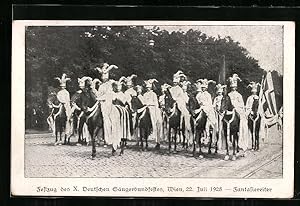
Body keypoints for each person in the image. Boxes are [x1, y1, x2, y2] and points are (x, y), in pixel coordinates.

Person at [94, 63, 121, 154]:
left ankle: (112, 139)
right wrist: (96, 93)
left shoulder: (109, 85)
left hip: (108, 104)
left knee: (110, 119)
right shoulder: (101, 86)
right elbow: (98, 94)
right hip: (101, 103)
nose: (104, 76)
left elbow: (108, 95)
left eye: (105, 74)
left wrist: (100, 98)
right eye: (102, 75)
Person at [169, 71, 193, 146]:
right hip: (172, 103)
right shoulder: (171, 89)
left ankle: (184, 124)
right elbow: (170, 96)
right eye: (174, 82)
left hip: (179, 102)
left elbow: (182, 97)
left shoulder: (180, 89)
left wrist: (177, 100)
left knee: (184, 113)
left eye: (176, 82)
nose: (175, 84)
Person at [139, 79, 163, 149]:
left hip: (153, 108)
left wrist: (150, 104)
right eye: (147, 88)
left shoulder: (154, 94)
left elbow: (156, 103)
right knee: (140, 116)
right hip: (145, 107)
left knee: (154, 118)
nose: (148, 89)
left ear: (151, 88)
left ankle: (153, 130)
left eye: (149, 88)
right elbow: (143, 102)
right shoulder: (145, 94)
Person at [228, 73, 248, 154]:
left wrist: (237, 107)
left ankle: (241, 129)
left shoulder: (239, 95)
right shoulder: (228, 95)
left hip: (238, 109)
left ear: (236, 87)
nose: (233, 88)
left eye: (234, 87)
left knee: (242, 120)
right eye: (232, 87)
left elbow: (242, 104)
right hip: (230, 110)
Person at [195, 79, 217, 145]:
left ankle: (209, 128)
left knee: (209, 117)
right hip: (200, 107)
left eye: (204, 88)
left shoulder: (208, 95)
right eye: (202, 88)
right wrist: (200, 103)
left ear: (206, 88)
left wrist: (205, 104)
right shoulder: (199, 94)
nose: (203, 89)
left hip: (207, 107)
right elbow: (197, 100)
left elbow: (209, 102)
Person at [54, 73, 72, 140]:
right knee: (55, 113)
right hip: (61, 104)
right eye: (61, 87)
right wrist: (60, 102)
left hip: (66, 105)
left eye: (63, 87)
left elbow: (68, 100)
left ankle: (68, 131)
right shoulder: (59, 92)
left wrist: (65, 103)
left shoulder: (67, 93)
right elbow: (58, 98)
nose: (62, 88)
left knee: (68, 116)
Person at [213, 84, 226, 150]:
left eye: (220, 92)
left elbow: (225, 106)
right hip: (217, 114)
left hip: (222, 114)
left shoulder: (224, 98)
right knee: (217, 128)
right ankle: (216, 143)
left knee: (223, 128)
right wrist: (215, 110)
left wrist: (223, 111)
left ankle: (223, 144)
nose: (219, 93)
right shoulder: (216, 98)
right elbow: (214, 105)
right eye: (218, 92)